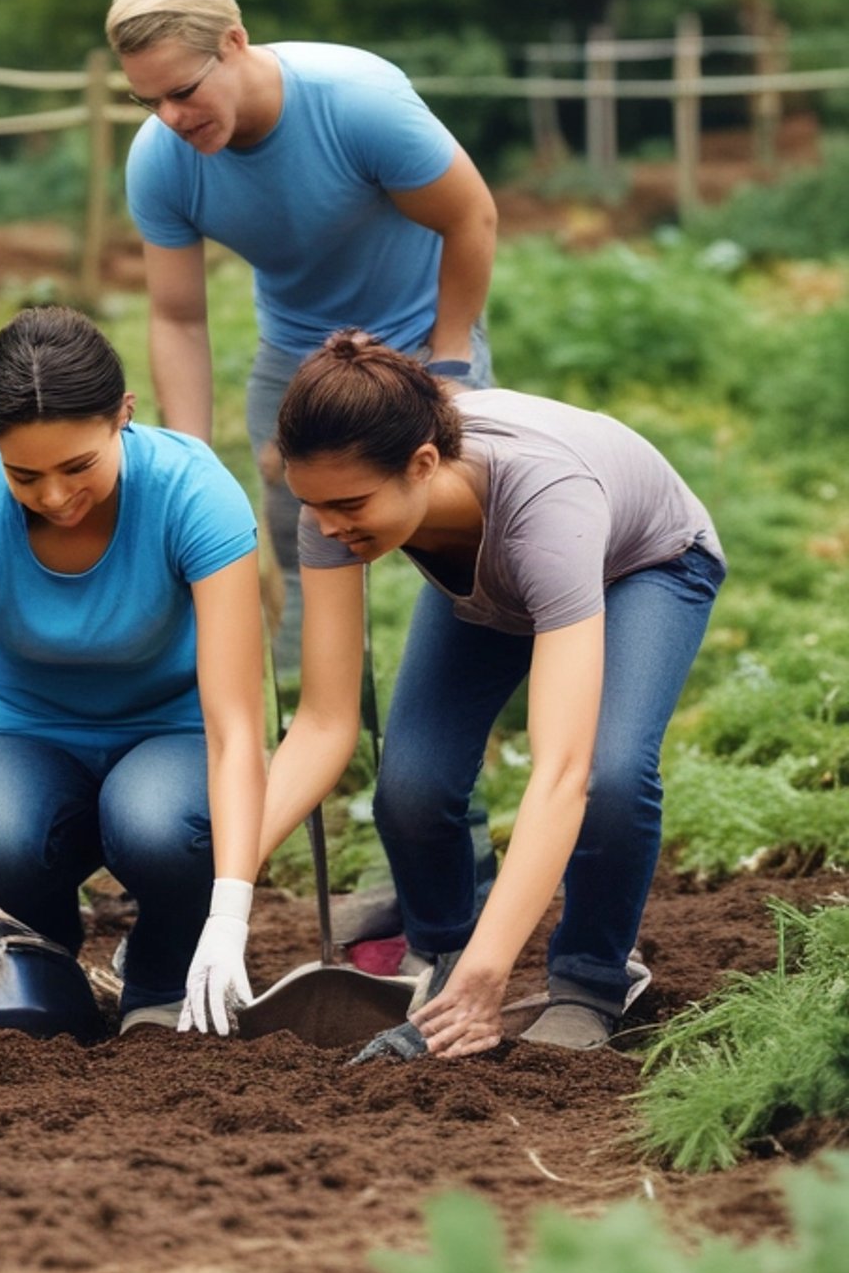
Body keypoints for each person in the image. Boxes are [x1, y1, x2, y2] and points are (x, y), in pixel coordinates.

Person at [261, 333, 725, 1056]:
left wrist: (494, 973)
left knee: (610, 774)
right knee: (412, 785)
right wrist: (222, 889)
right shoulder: (336, 501)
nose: (325, 527)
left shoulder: (544, 504)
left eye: (348, 505)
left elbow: (563, 773)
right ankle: (445, 953)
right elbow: (323, 721)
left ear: (422, 465)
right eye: (311, 505)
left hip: (641, 565)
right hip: (491, 578)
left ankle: (591, 979)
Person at [0, 306, 267, 1036]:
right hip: (20, 731)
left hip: (169, 733)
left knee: (159, 826)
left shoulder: (192, 492)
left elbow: (236, 731)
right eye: (25, 474)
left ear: (123, 418)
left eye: (78, 467)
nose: (53, 496)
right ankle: (42, 972)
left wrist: (231, 911)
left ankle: (164, 970)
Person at [105, 0, 499, 677]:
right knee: (300, 540)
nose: (169, 119)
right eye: (147, 100)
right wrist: (190, 455)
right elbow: (179, 317)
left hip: (421, 336)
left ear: (233, 42)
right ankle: (310, 723)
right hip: (295, 351)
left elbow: (471, 218)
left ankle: (481, 697)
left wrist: (450, 366)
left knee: (456, 532)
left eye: (183, 92)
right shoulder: (162, 161)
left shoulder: (357, 102)